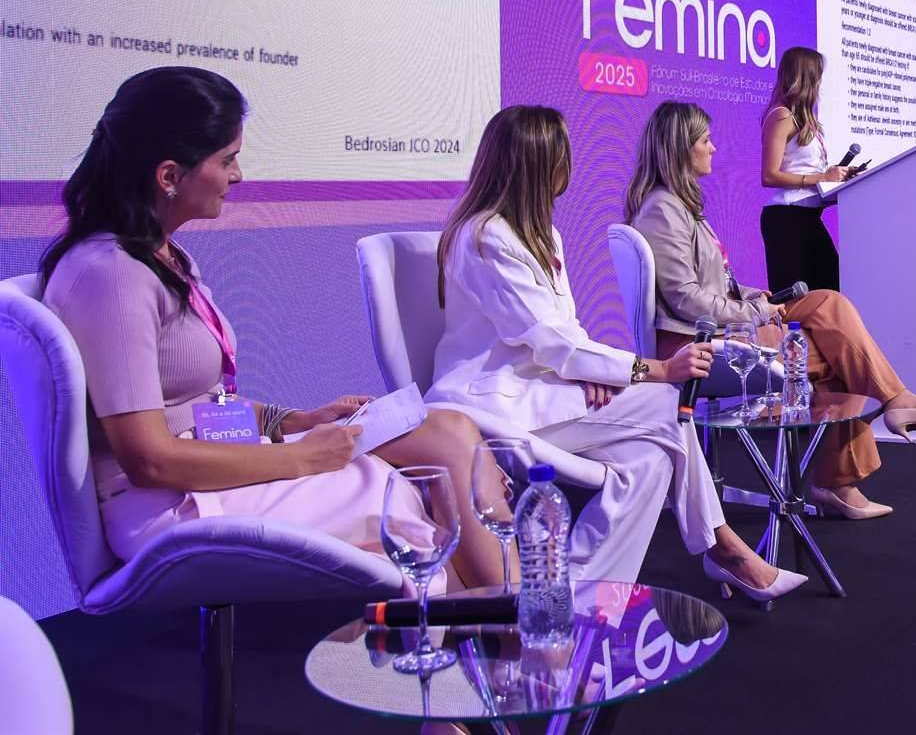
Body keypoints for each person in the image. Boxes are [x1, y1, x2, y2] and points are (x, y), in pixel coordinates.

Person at [40, 67, 503, 590]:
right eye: (227, 159)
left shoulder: (163, 258)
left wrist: (291, 420)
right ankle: (511, 622)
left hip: (210, 471)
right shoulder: (111, 276)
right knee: (413, 490)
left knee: (448, 432)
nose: (238, 175)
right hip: (173, 504)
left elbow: (195, 402)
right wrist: (300, 455)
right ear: (169, 176)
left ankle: (509, 617)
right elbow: (149, 459)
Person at [425, 105, 806, 602]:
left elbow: (566, 332)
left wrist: (596, 372)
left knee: (650, 460)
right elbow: (552, 341)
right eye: (563, 155)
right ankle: (722, 547)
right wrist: (653, 370)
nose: (569, 167)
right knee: (668, 403)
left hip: (549, 388)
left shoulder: (540, 233)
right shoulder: (484, 237)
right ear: (540, 164)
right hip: (501, 406)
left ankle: (579, 594)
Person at [626, 101, 916, 521]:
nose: (714, 148)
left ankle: (887, 417)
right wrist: (755, 311)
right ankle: (850, 465)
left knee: (829, 303)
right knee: (831, 351)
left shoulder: (680, 205)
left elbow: (713, 284)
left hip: (719, 327)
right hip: (695, 345)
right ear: (681, 149)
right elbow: (686, 299)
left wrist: (755, 295)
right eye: (705, 141)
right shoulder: (662, 210)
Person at [759, 46, 846, 292]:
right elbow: (769, 175)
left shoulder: (804, 120)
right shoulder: (781, 116)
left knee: (830, 289)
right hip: (787, 219)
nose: (820, 83)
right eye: (818, 76)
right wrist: (822, 177)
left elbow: (804, 167)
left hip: (808, 217)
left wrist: (836, 177)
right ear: (806, 78)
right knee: (797, 299)